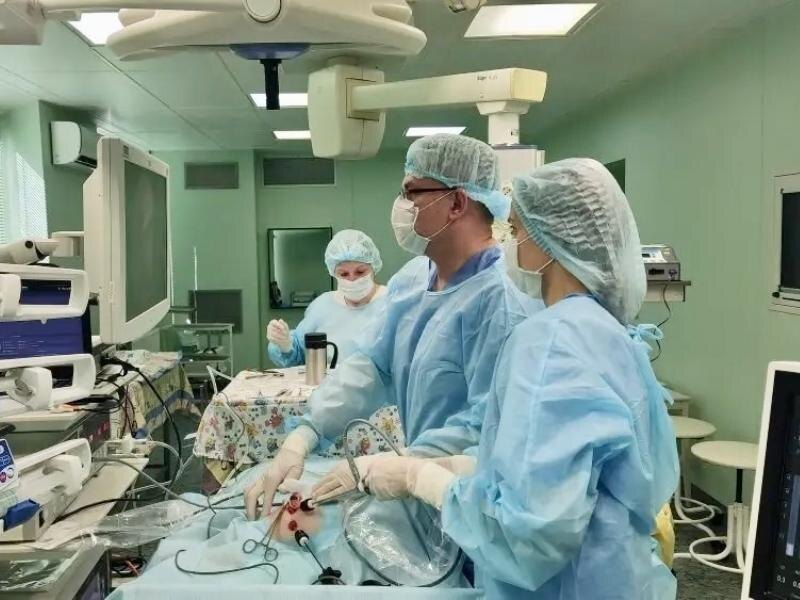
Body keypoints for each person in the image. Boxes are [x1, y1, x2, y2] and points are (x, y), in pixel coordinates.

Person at [356, 159, 680, 599]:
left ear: (551, 240)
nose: (509, 245)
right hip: (615, 573)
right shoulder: (603, 331)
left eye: (515, 230)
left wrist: (421, 479)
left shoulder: (552, 343)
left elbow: (529, 535)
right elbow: (577, 471)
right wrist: (468, 467)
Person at [245, 134, 538, 519]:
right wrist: (305, 435)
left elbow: (485, 430)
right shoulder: (413, 280)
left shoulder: (502, 304)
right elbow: (371, 366)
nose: (401, 205)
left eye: (411, 192)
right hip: (415, 490)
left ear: (456, 203)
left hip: (468, 504)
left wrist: (400, 468)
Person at [265, 229, 387, 368]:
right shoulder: (323, 306)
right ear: (334, 273)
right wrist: (285, 345)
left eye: (360, 272)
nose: (352, 279)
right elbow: (300, 355)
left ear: (373, 267)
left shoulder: (391, 303)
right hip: (330, 382)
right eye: (344, 274)